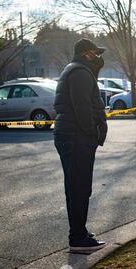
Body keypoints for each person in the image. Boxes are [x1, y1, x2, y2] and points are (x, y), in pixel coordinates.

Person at [54, 39, 108, 253]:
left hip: (72, 135)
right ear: (87, 54)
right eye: (96, 54)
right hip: (76, 137)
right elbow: (82, 107)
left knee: (78, 186)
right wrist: (91, 133)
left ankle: (80, 232)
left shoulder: (77, 70)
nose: (99, 58)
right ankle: (77, 237)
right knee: (79, 187)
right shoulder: (80, 73)